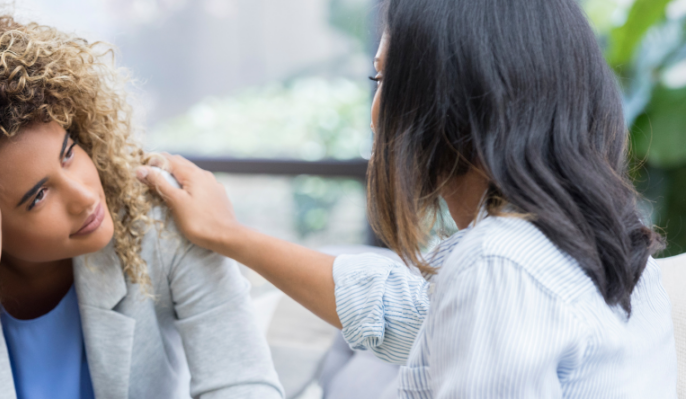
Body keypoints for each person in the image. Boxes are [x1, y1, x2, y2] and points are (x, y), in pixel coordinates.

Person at [136, 0, 678, 397]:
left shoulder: (500, 265)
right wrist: (229, 236)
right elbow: (400, 310)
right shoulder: (602, 240)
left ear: (453, 98)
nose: (375, 111)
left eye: (383, 78)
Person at [0, 7, 282, 399]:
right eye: (37, 196)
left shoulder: (160, 225)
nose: (84, 196)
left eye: (70, 151)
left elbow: (246, 385)